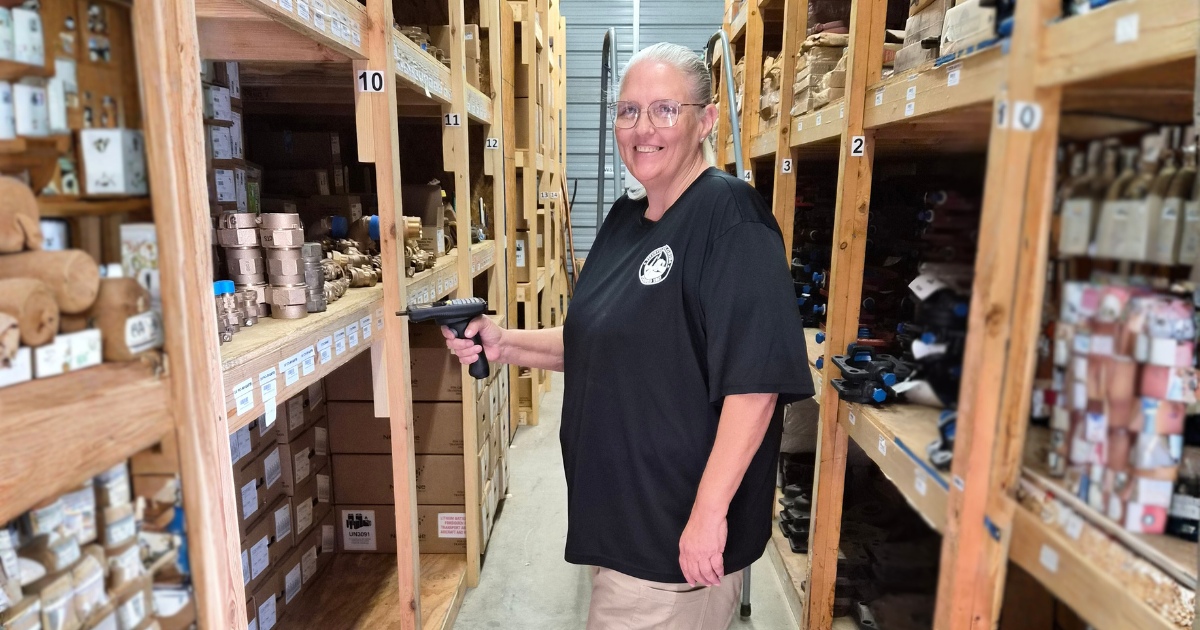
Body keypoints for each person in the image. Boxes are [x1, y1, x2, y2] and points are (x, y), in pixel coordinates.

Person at [441, 42, 813, 630]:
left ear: (706, 119)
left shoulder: (731, 219)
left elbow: (756, 387)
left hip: (672, 538)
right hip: (619, 523)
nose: (643, 129)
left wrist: (708, 516)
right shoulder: (623, 221)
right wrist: (504, 342)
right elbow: (599, 343)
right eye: (628, 111)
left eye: (666, 109)